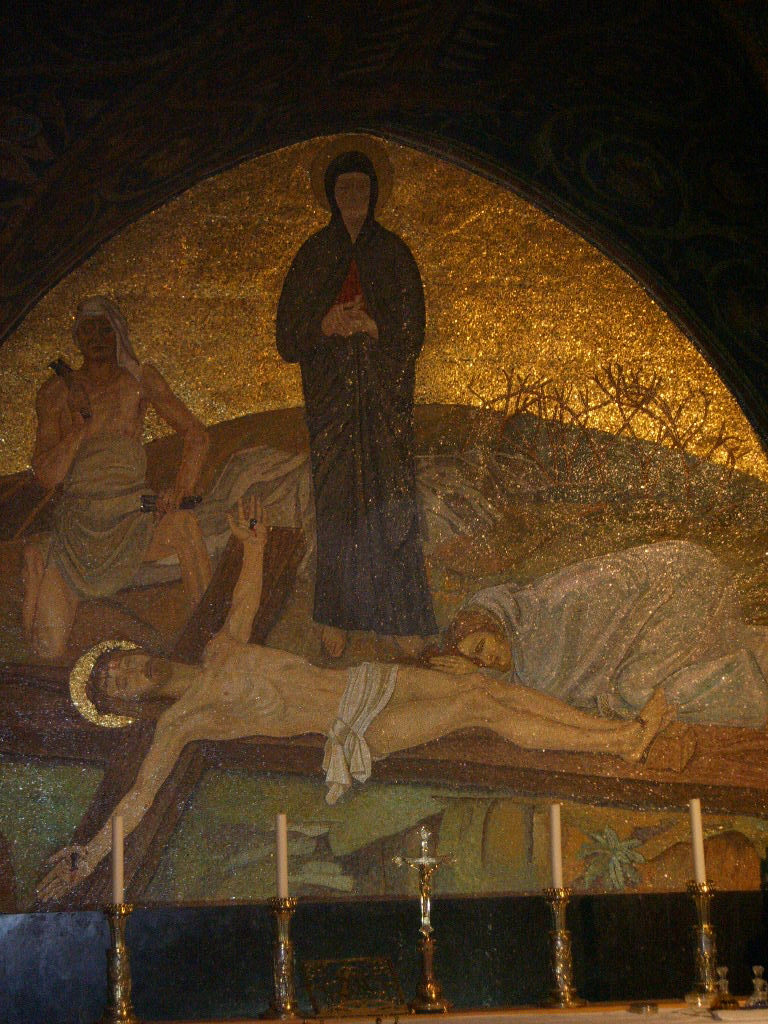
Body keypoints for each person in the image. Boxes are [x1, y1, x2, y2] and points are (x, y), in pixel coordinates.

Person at [35, 498, 670, 901]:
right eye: (117, 686)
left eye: (118, 665)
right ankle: (621, 742)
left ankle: (618, 732)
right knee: (475, 709)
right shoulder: (180, 721)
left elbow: (247, 591)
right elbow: (139, 796)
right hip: (353, 730)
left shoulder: (222, 648)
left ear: (128, 650)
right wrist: (87, 857)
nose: (127, 674)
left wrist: (252, 544)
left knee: (483, 686)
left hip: (366, 683)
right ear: (128, 705)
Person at [276, 145, 436, 658]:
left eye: (360, 186)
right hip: (332, 402)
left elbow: (412, 329)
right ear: (330, 194)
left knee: (393, 499)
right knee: (337, 502)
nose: (352, 195)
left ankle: (402, 619)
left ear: (374, 192)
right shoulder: (313, 255)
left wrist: (372, 325)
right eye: (343, 186)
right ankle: (336, 617)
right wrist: (326, 324)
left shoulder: (393, 253)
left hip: (384, 401)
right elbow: (287, 337)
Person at [23, 296, 212, 660]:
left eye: (104, 329)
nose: (96, 338)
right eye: (88, 330)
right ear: (77, 338)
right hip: (78, 530)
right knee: (47, 650)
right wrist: (80, 428)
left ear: (118, 333)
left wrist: (181, 489)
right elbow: (45, 475)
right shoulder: (56, 393)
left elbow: (197, 436)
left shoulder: (139, 381)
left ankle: (210, 643)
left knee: (185, 525)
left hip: (132, 520)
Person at [431, 540, 768, 727]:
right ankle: (756, 649)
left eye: (481, 646)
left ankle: (747, 682)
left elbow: (547, 697)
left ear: (494, 627)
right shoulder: (522, 635)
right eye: (478, 660)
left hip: (685, 584)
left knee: (636, 689)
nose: (488, 659)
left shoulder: (538, 620)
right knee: (635, 689)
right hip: (665, 603)